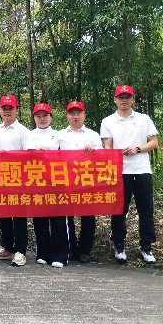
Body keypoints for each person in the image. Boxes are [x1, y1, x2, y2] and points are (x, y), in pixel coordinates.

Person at [100, 85, 159, 264]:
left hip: (142, 170)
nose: (124, 100)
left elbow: (154, 142)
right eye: (121, 97)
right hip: (120, 171)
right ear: (115, 100)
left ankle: (146, 247)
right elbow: (107, 145)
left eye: (127, 97)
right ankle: (119, 245)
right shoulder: (108, 121)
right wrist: (113, 156)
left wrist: (137, 149)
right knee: (119, 210)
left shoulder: (144, 119)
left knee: (146, 210)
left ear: (133, 99)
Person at [59, 100, 103, 264]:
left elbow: (103, 158)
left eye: (78, 113)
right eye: (72, 113)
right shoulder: (60, 135)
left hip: (87, 180)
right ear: (67, 115)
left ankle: (85, 250)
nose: (75, 116)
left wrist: (93, 151)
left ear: (84, 115)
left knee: (88, 216)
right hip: (66, 180)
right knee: (67, 215)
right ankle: (70, 248)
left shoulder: (93, 135)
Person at [0, 94, 33, 266]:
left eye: (11, 108)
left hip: (18, 180)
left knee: (19, 217)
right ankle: (8, 247)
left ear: (17, 110)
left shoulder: (23, 131)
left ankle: (21, 251)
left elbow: (30, 155)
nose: (7, 111)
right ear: (0, 111)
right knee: (3, 216)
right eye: (4, 108)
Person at [28, 102, 66, 268]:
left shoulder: (59, 135)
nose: (42, 119)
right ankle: (42, 253)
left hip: (56, 181)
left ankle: (59, 255)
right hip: (37, 181)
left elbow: (67, 156)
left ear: (51, 117)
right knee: (40, 219)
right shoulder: (29, 135)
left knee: (58, 220)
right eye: (38, 116)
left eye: (45, 116)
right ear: (34, 118)